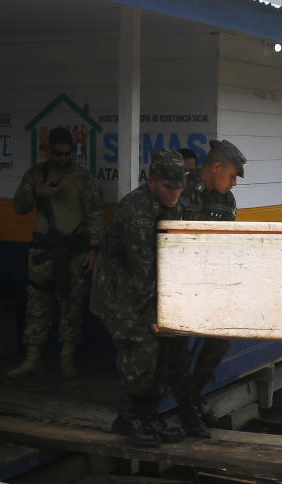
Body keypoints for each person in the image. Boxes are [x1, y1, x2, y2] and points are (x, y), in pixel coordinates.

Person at [90, 147, 189, 447]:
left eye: (179, 187)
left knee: (162, 354)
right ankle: (129, 418)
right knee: (143, 350)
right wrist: (152, 317)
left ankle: (149, 417)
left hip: (147, 293)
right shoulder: (137, 212)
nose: (174, 194)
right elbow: (142, 270)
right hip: (117, 294)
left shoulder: (174, 205)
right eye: (169, 187)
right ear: (152, 182)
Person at [9, 126, 104, 379]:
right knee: (37, 306)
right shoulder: (36, 175)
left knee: (71, 305)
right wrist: (35, 193)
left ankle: (66, 358)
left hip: (72, 250)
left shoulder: (82, 178)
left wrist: (94, 248)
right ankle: (32, 358)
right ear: (49, 151)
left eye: (67, 154)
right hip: (42, 249)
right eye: (58, 154)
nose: (63, 158)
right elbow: (18, 206)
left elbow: (95, 214)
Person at [171, 139, 247, 433]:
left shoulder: (226, 201)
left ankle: (192, 394)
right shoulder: (180, 189)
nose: (234, 184)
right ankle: (186, 408)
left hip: (209, 282)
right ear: (216, 167)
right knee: (176, 348)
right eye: (231, 177)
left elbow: (225, 244)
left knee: (221, 337)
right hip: (177, 283)